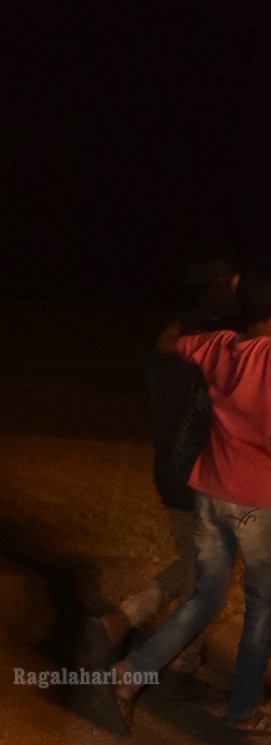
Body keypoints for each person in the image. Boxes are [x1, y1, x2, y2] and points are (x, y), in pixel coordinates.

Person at [110, 259, 271, 736]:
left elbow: (167, 343)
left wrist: (206, 309)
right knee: (263, 606)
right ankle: (241, 709)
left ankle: (128, 674)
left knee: (204, 597)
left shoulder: (220, 347)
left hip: (207, 492)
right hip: (257, 503)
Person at [84, 248, 238, 682]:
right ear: (213, 288)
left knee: (195, 564)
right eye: (230, 283)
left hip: (168, 465)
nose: (236, 290)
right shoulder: (216, 340)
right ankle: (165, 664)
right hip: (200, 470)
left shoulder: (171, 332)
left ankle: (122, 622)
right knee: (207, 575)